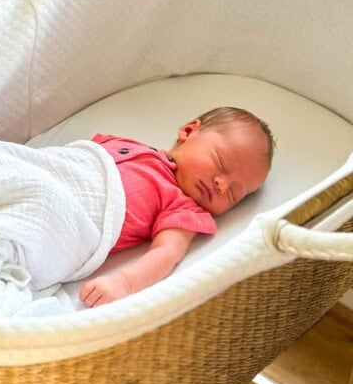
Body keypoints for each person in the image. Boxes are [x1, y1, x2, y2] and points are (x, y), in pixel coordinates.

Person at [79, 106, 275, 307]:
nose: (222, 186)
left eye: (233, 193)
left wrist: (124, 283)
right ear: (189, 131)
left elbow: (167, 253)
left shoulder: (185, 209)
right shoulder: (127, 144)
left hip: (73, 223)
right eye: (221, 163)